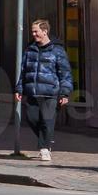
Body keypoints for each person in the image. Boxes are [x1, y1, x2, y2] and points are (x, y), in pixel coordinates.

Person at [17, 19, 73, 162]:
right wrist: (19, 88)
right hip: (32, 92)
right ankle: (46, 140)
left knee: (47, 121)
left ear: (45, 31)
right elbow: (23, 71)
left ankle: (44, 149)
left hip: (50, 93)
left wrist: (65, 92)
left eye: (36, 31)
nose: (33, 34)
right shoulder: (30, 49)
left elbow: (65, 73)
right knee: (32, 119)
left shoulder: (57, 50)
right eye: (32, 31)